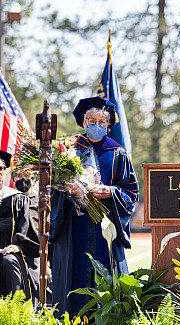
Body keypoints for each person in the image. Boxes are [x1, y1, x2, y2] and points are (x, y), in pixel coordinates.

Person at [50, 96, 139, 317]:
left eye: (101, 121)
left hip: (104, 225)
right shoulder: (69, 150)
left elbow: (132, 191)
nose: (96, 125)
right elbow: (53, 187)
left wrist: (112, 192)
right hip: (74, 225)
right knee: (75, 276)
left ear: (108, 124)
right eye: (90, 120)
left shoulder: (117, 153)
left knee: (105, 279)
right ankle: (72, 318)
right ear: (83, 121)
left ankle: (108, 318)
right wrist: (66, 190)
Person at [0, 150, 40, 303]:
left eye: (0, 169)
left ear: (5, 172)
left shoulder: (18, 199)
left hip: (9, 253)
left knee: (9, 262)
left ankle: (17, 311)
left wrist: (19, 245)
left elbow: (27, 227)